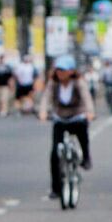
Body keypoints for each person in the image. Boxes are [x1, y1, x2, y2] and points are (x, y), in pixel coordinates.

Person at [39, 56, 95, 196]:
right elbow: (46, 97)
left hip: (77, 116)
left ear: (71, 71)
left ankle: (86, 157)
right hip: (60, 118)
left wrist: (90, 112)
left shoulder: (78, 83)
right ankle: (56, 188)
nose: (61, 73)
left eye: (64, 70)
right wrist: (43, 112)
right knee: (55, 154)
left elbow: (86, 97)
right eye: (58, 70)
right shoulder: (53, 83)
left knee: (83, 133)